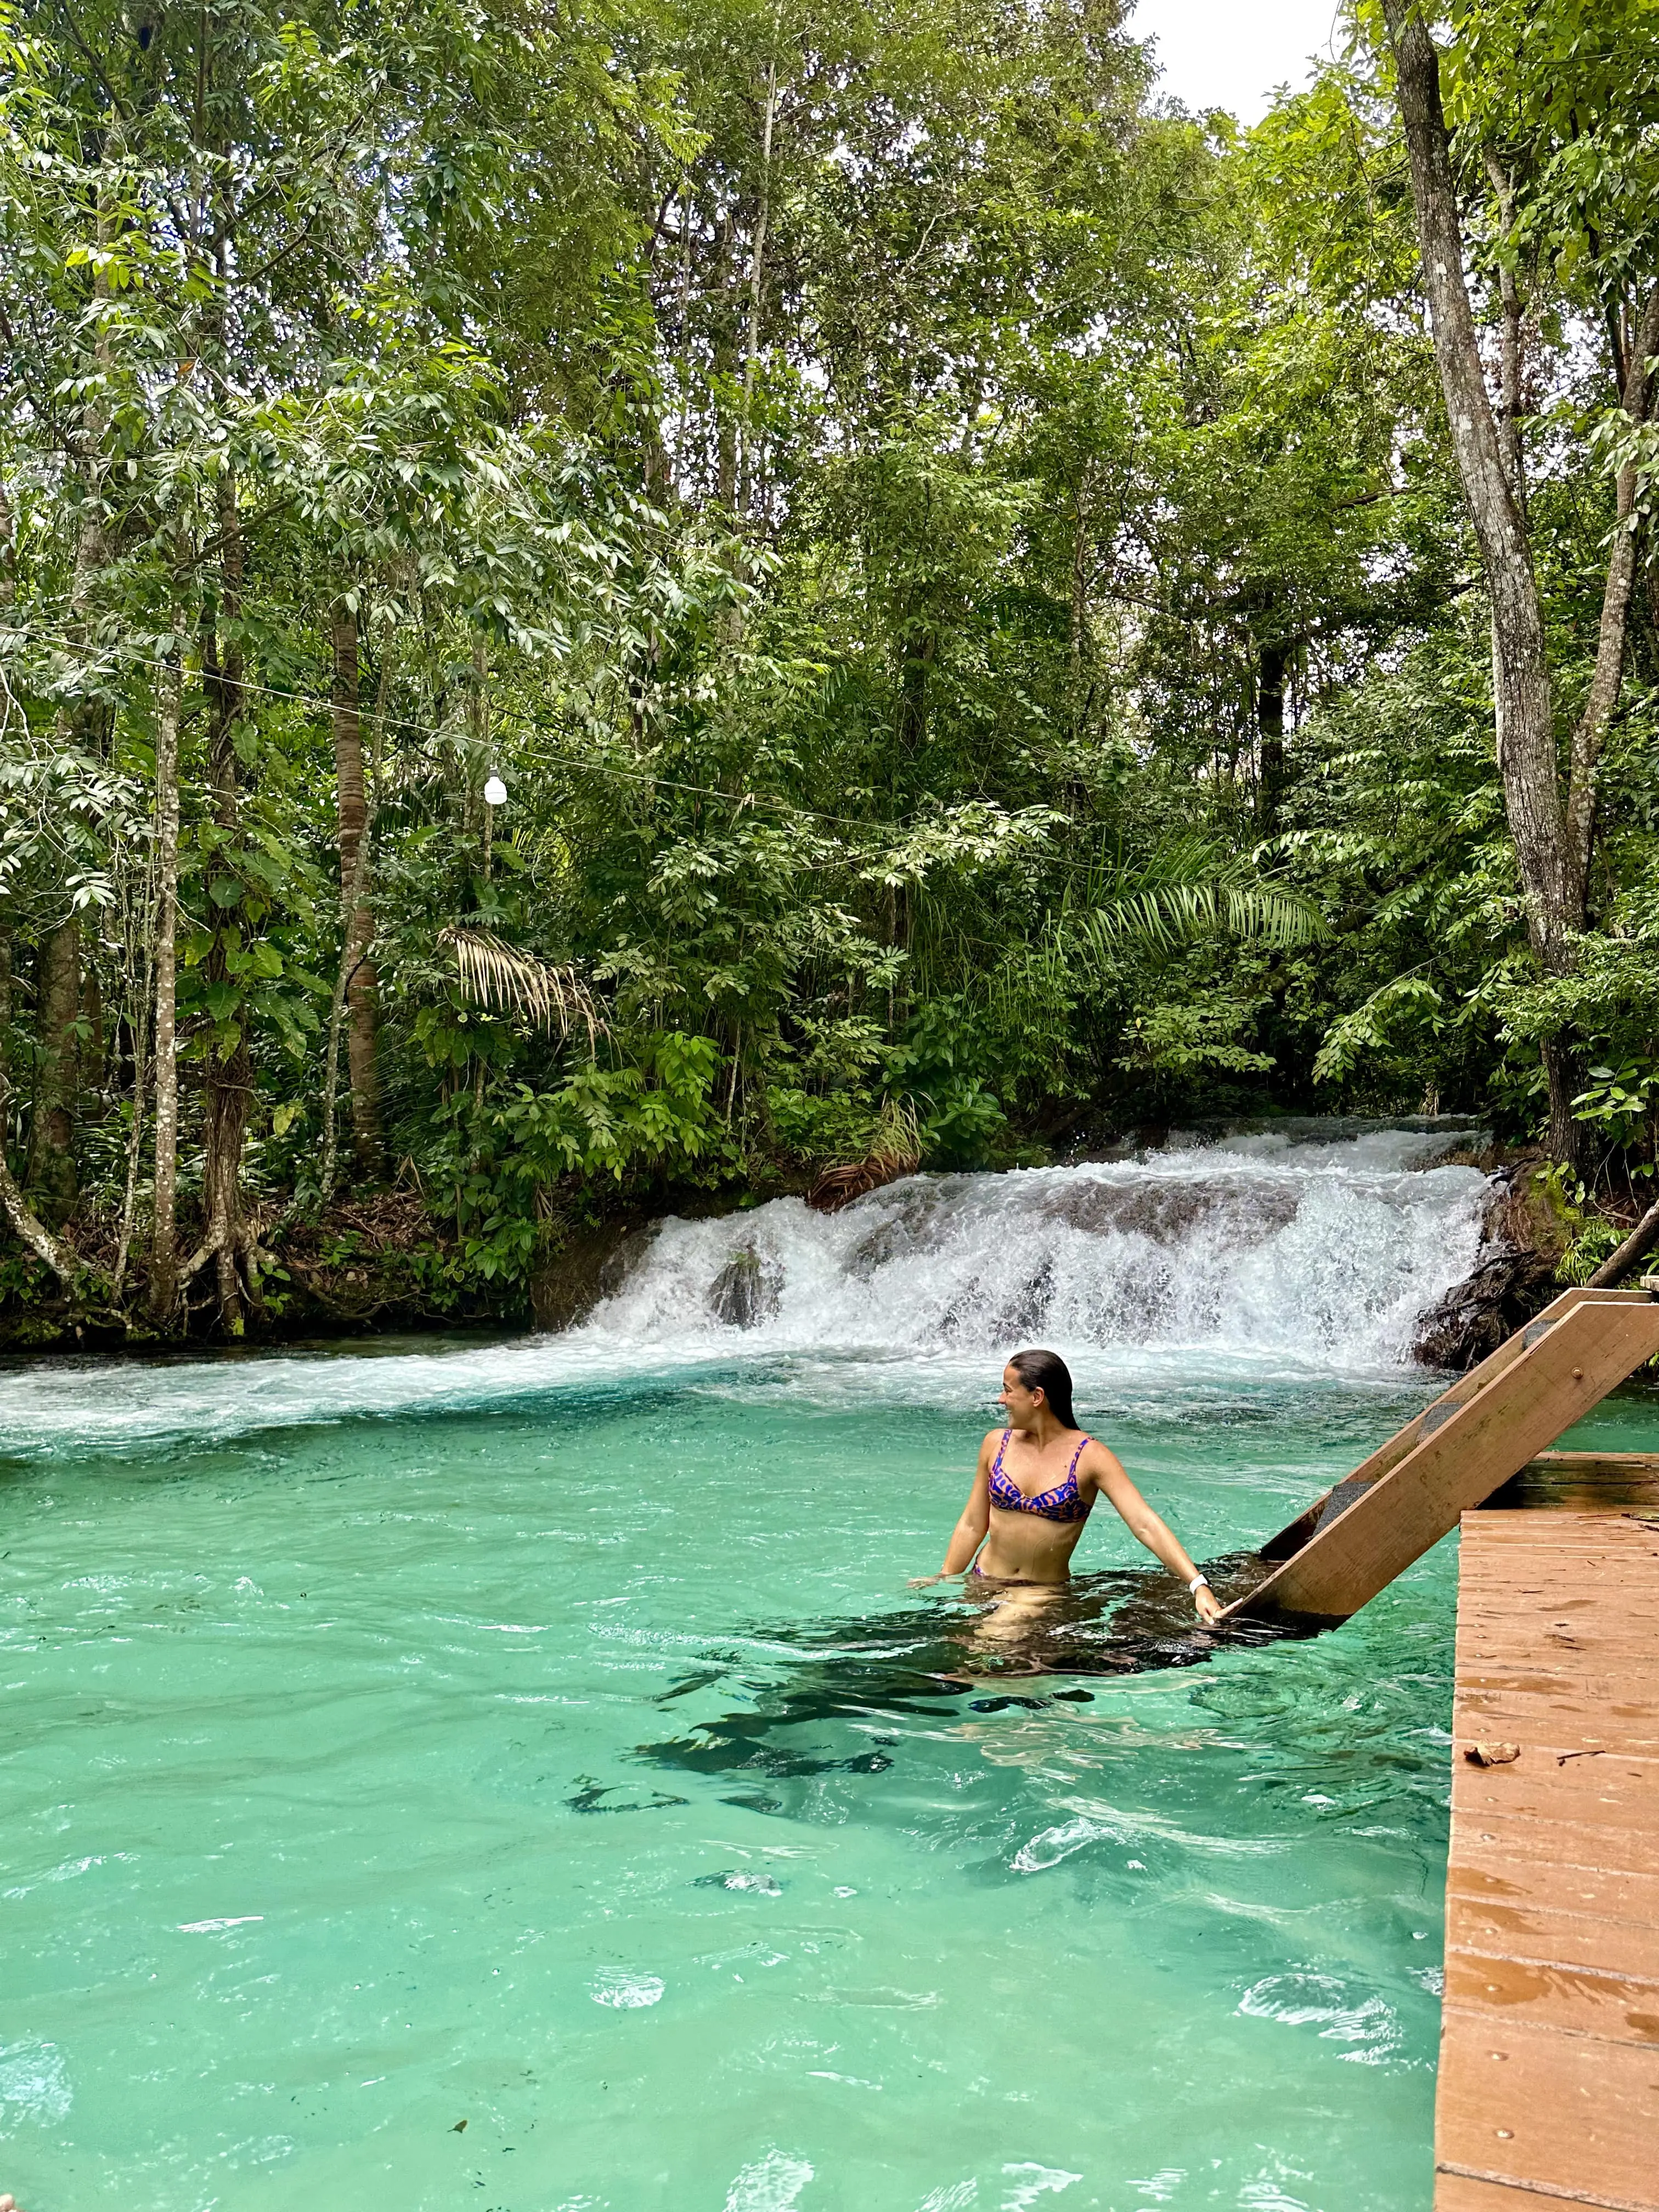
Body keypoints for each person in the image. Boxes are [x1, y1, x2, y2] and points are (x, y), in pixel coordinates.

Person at [919, 1347, 1225, 1624]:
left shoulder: (1091, 1457)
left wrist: (1198, 1585)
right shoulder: (995, 1443)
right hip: (982, 1580)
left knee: (991, 1643)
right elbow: (974, 1524)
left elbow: (1144, 1523)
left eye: (1008, 1390)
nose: (1001, 1399)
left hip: (1041, 1593)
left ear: (1037, 1397)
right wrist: (945, 1577)